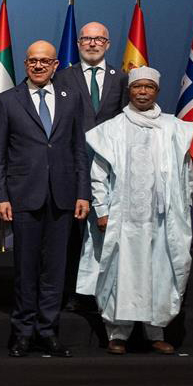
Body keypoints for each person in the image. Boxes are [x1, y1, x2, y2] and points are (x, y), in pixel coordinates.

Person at [0, 40, 90, 358]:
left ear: (56, 65)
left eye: (45, 61)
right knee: (26, 269)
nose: (39, 65)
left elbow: (78, 149)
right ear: (26, 64)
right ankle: (23, 332)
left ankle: (48, 331)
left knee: (55, 271)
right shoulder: (8, 100)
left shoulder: (71, 98)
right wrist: (0, 196)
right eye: (33, 61)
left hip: (62, 197)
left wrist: (82, 193)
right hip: (23, 197)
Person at [78, 67, 193, 355]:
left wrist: (183, 208)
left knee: (161, 273)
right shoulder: (112, 129)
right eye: (137, 86)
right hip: (124, 219)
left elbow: (186, 175)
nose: (142, 92)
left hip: (163, 220)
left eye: (148, 87)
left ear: (157, 91)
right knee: (122, 274)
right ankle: (118, 333)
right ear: (129, 90)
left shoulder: (174, 127)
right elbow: (98, 175)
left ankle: (156, 332)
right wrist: (102, 210)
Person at [57, 21, 130, 314]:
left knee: (107, 233)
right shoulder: (62, 78)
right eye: (86, 38)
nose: (92, 43)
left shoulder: (121, 78)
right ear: (78, 44)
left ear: (108, 44)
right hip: (72, 165)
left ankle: (107, 291)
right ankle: (73, 293)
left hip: (110, 168)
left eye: (99, 39)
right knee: (73, 234)